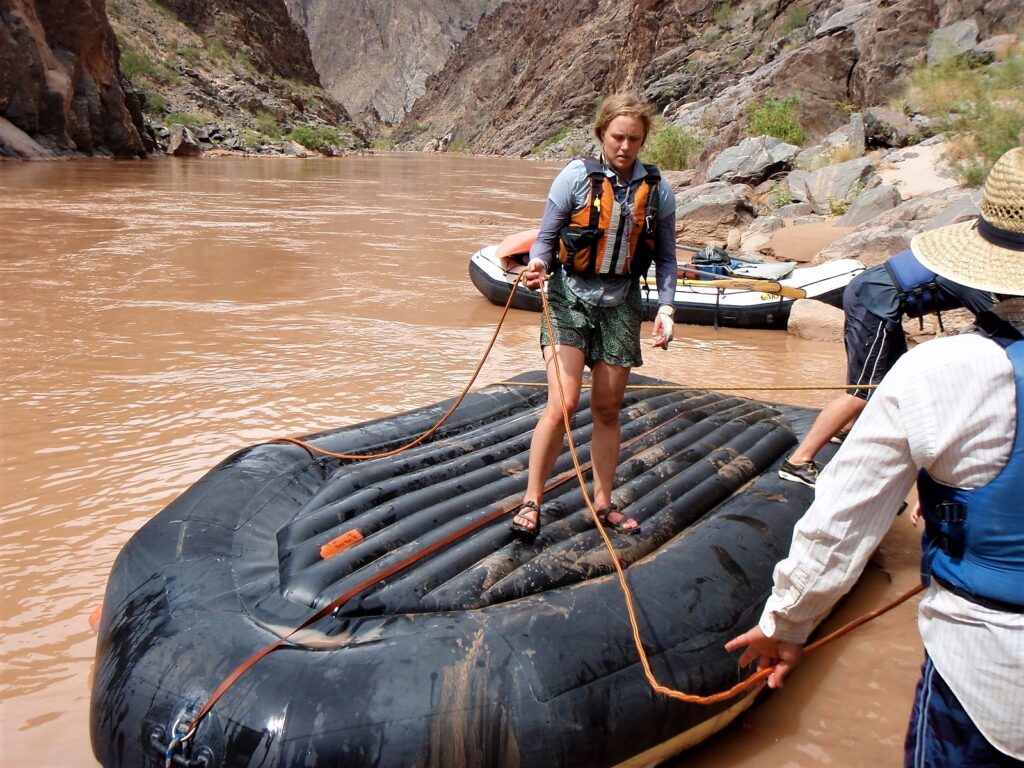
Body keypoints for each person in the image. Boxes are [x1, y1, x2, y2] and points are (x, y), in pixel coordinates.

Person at [726, 146, 1024, 766]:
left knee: (866, 400)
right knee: (862, 396)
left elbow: (842, 520)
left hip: (988, 681)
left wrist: (787, 622)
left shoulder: (945, 372)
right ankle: (807, 455)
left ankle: (805, 458)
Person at [509, 93, 677, 538]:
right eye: (617, 137)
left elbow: (667, 257)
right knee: (563, 404)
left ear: (643, 141)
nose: (624, 146)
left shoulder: (658, 191)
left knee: (607, 408)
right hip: (569, 298)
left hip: (622, 302)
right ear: (601, 133)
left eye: (634, 139)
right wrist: (540, 264)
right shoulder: (574, 177)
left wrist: (666, 307)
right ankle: (532, 498)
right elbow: (546, 238)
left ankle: (603, 503)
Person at [778, 247, 993, 487]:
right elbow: (999, 323)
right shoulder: (970, 276)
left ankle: (846, 428)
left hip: (874, 297)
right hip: (874, 303)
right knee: (862, 392)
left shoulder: (965, 257)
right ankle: (798, 461)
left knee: (893, 379)